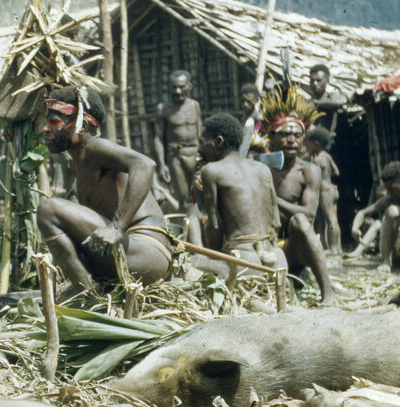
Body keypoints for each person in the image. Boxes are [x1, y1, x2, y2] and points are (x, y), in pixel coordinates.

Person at [36, 86, 174, 293]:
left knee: (48, 209)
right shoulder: (78, 164)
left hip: (147, 253)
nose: (46, 129)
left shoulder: (95, 147)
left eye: (54, 122)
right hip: (130, 255)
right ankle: (89, 291)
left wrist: (116, 227)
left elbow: (145, 165)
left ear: (82, 126)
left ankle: (88, 296)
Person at [263, 86, 335, 304]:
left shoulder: (309, 171)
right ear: (272, 136)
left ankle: (328, 293)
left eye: (297, 135)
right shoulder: (260, 167)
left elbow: (309, 214)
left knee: (301, 221)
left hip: (295, 246)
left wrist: (274, 199)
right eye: (285, 134)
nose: (291, 140)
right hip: (266, 245)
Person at [192, 113, 286, 278]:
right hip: (277, 261)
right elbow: (276, 222)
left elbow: (214, 227)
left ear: (218, 142)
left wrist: (215, 257)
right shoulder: (263, 169)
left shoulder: (211, 171)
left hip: (245, 262)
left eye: (203, 142)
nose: (199, 149)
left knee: (191, 263)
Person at [349, 161, 400, 272]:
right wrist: (355, 228)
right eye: (387, 189)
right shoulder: (389, 200)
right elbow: (362, 213)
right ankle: (386, 260)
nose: (389, 193)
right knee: (391, 211)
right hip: (393, 251)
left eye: (392, 189)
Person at [152, 70, 203, 211]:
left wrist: (204, 155)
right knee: (185, 200)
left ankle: (199, 224)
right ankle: (188, 225)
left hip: (195, 155)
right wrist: (162, 164)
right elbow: (158, 138)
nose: (178, 91)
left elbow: (201, 134)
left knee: (199, 198)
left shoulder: (195, 106)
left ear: (189, 86)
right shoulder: (163, 109)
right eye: (174, 87)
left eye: (181, 87)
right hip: (176, 157)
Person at [304, 126, 341, 253]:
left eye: (308, 144)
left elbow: (314, 178)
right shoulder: (327, 156)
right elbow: (337, 172)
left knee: (330, 220)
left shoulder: (316, 160)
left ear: (316, 144)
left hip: (325, 191)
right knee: (334, 220)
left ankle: (332, 248)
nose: (306, 148)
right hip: (333, 190)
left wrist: (323, 181)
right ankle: (338, 248)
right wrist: (328, 177)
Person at [307, 64, 344, 138]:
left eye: (319, 80)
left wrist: (315, 103)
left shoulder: (331, 96)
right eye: (312, 80)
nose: (315, 83)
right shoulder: (307, 101)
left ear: (327, 80)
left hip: (327, 140)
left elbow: (336, 103)